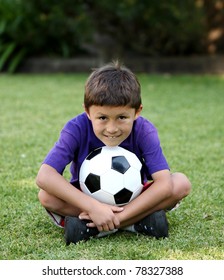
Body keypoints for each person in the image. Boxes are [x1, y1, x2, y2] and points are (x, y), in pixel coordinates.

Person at [36, 61, 191, 245]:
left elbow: (164, 184)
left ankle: (98, 227)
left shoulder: (144, 130)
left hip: (134, 199)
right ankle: (137, 223)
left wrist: (120, 216)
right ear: (87, 111)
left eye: (122, 118)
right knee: (46, 196)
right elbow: (44, 176)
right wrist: (93, 206)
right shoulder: (75, 128)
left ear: (137, 112)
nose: (112, 128)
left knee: (181, 183)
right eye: (102, 118)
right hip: (86, 199)